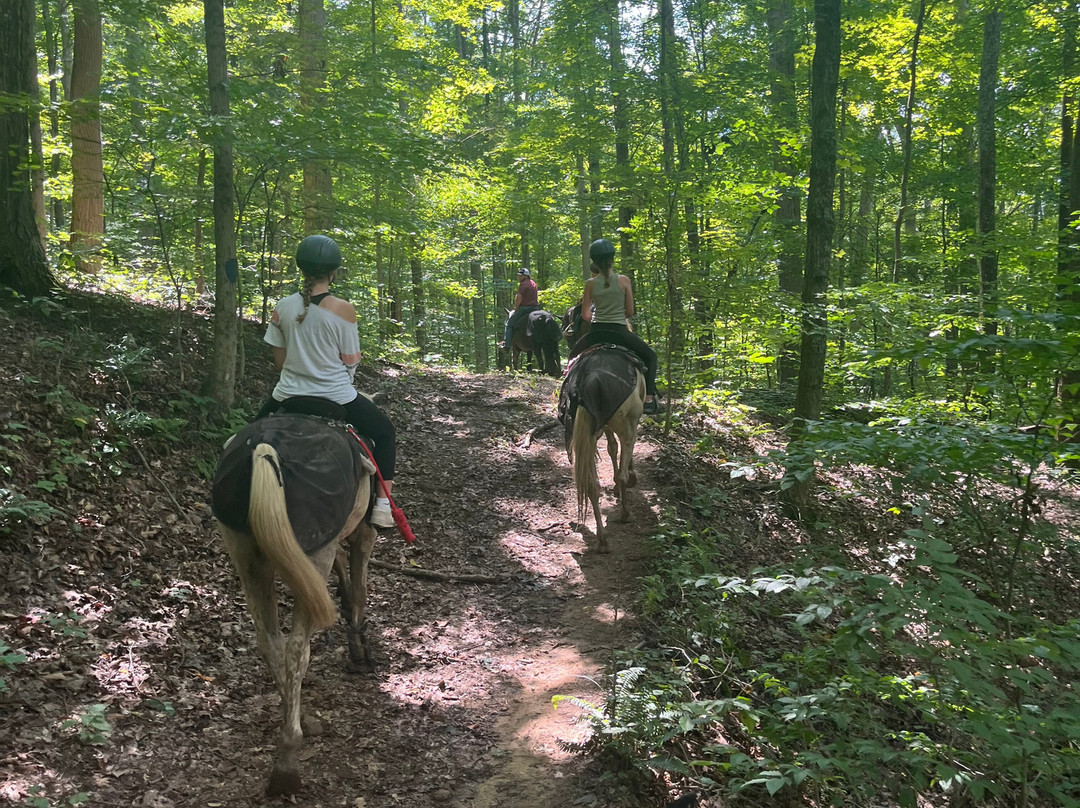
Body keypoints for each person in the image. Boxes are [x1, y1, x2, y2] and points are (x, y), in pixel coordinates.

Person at [254, 234, 398, 529]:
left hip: (286, 395)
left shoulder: (282, 307)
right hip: (336, 396)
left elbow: (279, 362)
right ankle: (383, 507)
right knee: (385, 434)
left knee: (244, 438)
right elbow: (350, 360)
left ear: (301, 269)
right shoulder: (343, 309)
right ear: (333, 271)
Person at [567, 238, 661, 414]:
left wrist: (598, 316)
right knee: (650, 357)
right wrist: (615, 315)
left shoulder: (590, 283)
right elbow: (630, 311)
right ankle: (648, 399)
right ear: (612, 259)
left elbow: (586, 315)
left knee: (572, 360)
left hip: (595, 333)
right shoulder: (624, 281)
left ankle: (567, 398)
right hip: (619, 331)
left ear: (594, 261)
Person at [499, 268, 540, 350]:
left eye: (520, 276)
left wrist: (516, 308)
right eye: (518, 276)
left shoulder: (523, 284)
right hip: (535, 308)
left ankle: (507, 345)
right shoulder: (533, 283)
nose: (518, 277)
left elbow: (519, 297)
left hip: (525, 308)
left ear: (525, 276)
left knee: (509, 325)